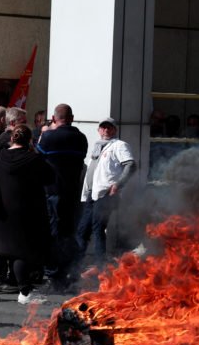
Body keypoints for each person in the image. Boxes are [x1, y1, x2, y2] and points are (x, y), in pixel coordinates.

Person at [0, 124, 54, 304]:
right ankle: (25, 292)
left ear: (11, 138)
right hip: (22, 212)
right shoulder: (33, 159)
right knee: (20, 251)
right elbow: (50, 177)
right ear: (29, 140)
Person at [36, 104, 89, 290]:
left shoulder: (49, 137)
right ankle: (68, 271)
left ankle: (53, 274)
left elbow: (38, 159)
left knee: (53, 233)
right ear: (71, 118)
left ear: (53, 118)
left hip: (52, 192)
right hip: (73, 192)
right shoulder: (81, 138)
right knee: (68, 232)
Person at [77, 117, 137, 263]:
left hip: (106, 194)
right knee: (83, 230)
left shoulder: (119, 145)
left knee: (98, 229)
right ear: (98, 130)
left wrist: (118, 185)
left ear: (115, 130)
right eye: (103, 127)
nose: (106, 130)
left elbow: (131, 165)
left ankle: (100, 267)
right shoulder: (97, 147)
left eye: (109, 127)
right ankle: (75, 265)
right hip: (91, 194)